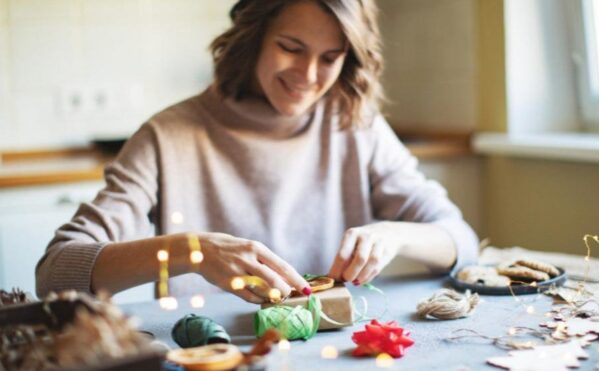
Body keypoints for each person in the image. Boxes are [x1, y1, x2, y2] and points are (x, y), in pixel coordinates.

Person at [36, 0, 478, 303]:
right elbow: (55, 271)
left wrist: (394, 234)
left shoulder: (355, 125)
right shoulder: (167, 135)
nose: (308, 75)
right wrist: (195, 252)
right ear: (253, 39)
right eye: (291, 48)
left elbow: (462, 241)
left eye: (330, 57)